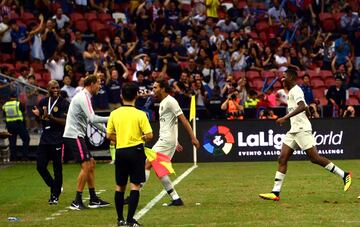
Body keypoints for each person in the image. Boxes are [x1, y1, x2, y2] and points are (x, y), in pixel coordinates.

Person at [259, 69, 352, 201]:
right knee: (282, 158)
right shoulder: (292, 91)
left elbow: (302, 106)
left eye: (284, 77)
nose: (282, 80)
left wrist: (285, 118)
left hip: (302, 129)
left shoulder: (296, 90)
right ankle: (275, 192)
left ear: (291, 78)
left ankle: (344, 175)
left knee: (314, 158)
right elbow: (305, 107)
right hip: (294, 130)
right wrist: (308, 112)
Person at [144, 78, 200, 206]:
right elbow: (172, 123)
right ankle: (176, 198)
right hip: (167, 140)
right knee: (160, 170)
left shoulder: (170, 101)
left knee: (148, 163)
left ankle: (134, 195)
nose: (153, 90)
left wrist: (193, 137)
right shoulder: (164, 102)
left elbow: (183, 120)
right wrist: (175, 141)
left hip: (165, 141)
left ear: (163, 88)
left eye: (155, 87)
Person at [106, 82, 153, 227]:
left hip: (120, 151)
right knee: (135, 185)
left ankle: (120, 220)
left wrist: (120, 139)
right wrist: (142, 138)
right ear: (136, 96)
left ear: (121, 96)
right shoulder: (140, 114)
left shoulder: (114, 113)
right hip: (136, 151)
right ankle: (130, 220)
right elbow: (150, 135)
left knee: (120, 186)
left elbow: (108, 135)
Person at [63, 75, 110, 210]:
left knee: (91, 163)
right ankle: (77, 201)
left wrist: (106, 132)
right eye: (99, 84)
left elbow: (90, 120)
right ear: (92, 84)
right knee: (86, 166)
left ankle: (93, 199)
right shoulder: (83, 97)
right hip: (74, 135)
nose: (100, 86)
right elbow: (93, 118)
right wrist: (112, 117)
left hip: (77, 135)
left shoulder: (85, 97)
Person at [32, 80, 69, 205]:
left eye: (57, 87)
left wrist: (51, 117)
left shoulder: (64, 103)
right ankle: (54, 187)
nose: (56, 89)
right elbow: (40, 121)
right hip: (45, 138)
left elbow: (65, 122)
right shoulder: (43, 102)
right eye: (53, 87)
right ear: (48, 88)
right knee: (40, 166)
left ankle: (55, 196)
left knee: (57, 169)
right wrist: (37, 115)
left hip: (57, 138)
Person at [2, 92, 30, 161]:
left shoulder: (5, 105)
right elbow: (23, 111)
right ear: (16, 97)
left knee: (12, 142)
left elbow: (4, 114)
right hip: (19, 124)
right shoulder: (18, 104)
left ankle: (13, 158)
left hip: (10, 125)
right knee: (26, 139)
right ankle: (24, 157)